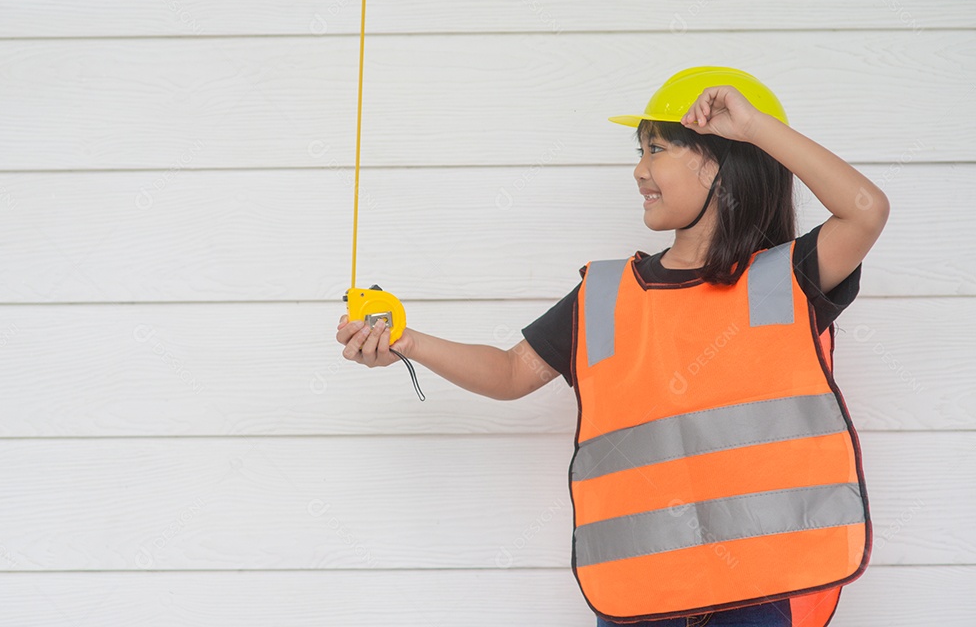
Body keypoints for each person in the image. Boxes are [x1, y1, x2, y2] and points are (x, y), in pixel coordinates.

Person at [336, 66, 889, 627]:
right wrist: (407, 342)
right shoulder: (604, 295)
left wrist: (754, 127)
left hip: (764, 589)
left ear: (719, 159)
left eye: (656, 149)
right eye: (639, 150)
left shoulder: (786, 278)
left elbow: (866, 209)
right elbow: (508, 373)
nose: (639, 170)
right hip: (643, 591)